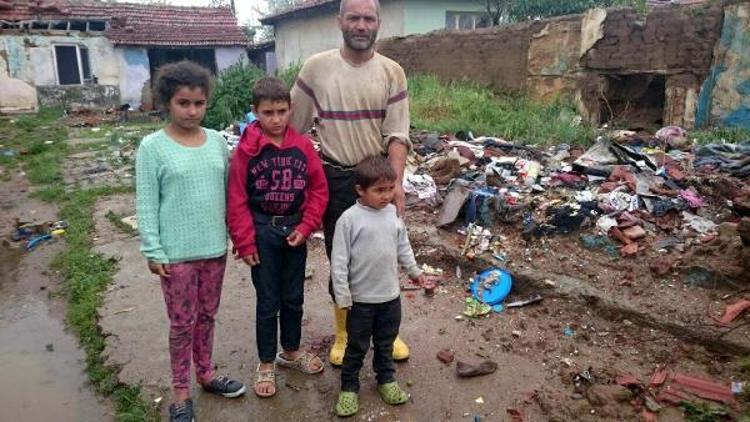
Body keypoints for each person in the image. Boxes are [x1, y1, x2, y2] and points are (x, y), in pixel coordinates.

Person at [290, 0, 412, 366]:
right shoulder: (316, 69)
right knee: (341, 257)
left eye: (368, 18)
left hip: (378, 181)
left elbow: (397, 135)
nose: (361, 25)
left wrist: (396, 185)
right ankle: (344, 333)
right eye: (354, 17)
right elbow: (293, 129)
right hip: (335, 179)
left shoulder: (392, 73)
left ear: (378, 23)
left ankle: (386, 333)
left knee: (383, 256)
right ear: (340, 20)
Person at [135, 60, 245, 422]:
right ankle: (181, 391)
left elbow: (229, 196)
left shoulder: (216, 142)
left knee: (208, 316)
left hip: (214, 250)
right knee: (182, 324)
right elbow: (147, 203)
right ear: (167, 102)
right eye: (184, 103)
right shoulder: (152, 148)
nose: (192, 110)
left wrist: (238, 237)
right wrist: (152, 248)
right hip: (176, 256)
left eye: (199, 103)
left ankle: (207, 374)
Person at [227, 77, 329, 398]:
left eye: (281, 111)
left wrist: (306, 226)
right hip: (262, 232)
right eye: (267, 112)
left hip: (295, 231)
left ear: (291, 109)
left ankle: (292, 351)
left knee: (293, 297)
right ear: (255, 111)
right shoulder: (246, 151)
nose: (275, 119)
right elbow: (237, 199)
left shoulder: (302, 148)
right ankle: (267, 361)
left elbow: (318, 189)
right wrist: (244, 242)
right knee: (268, 301)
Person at [330, 155, 425, 417]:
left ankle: (386, 380)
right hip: (360, 301)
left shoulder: (393, 214)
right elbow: (339, 262)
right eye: (379, 190)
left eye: (390, 188)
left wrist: (415, 272)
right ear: (360, 190)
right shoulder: (349, 220)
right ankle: (349, 387)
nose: (386, 195)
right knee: (356, 347)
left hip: (390, 298)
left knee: (385, 344)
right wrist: (342, 295)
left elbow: (403, 246)